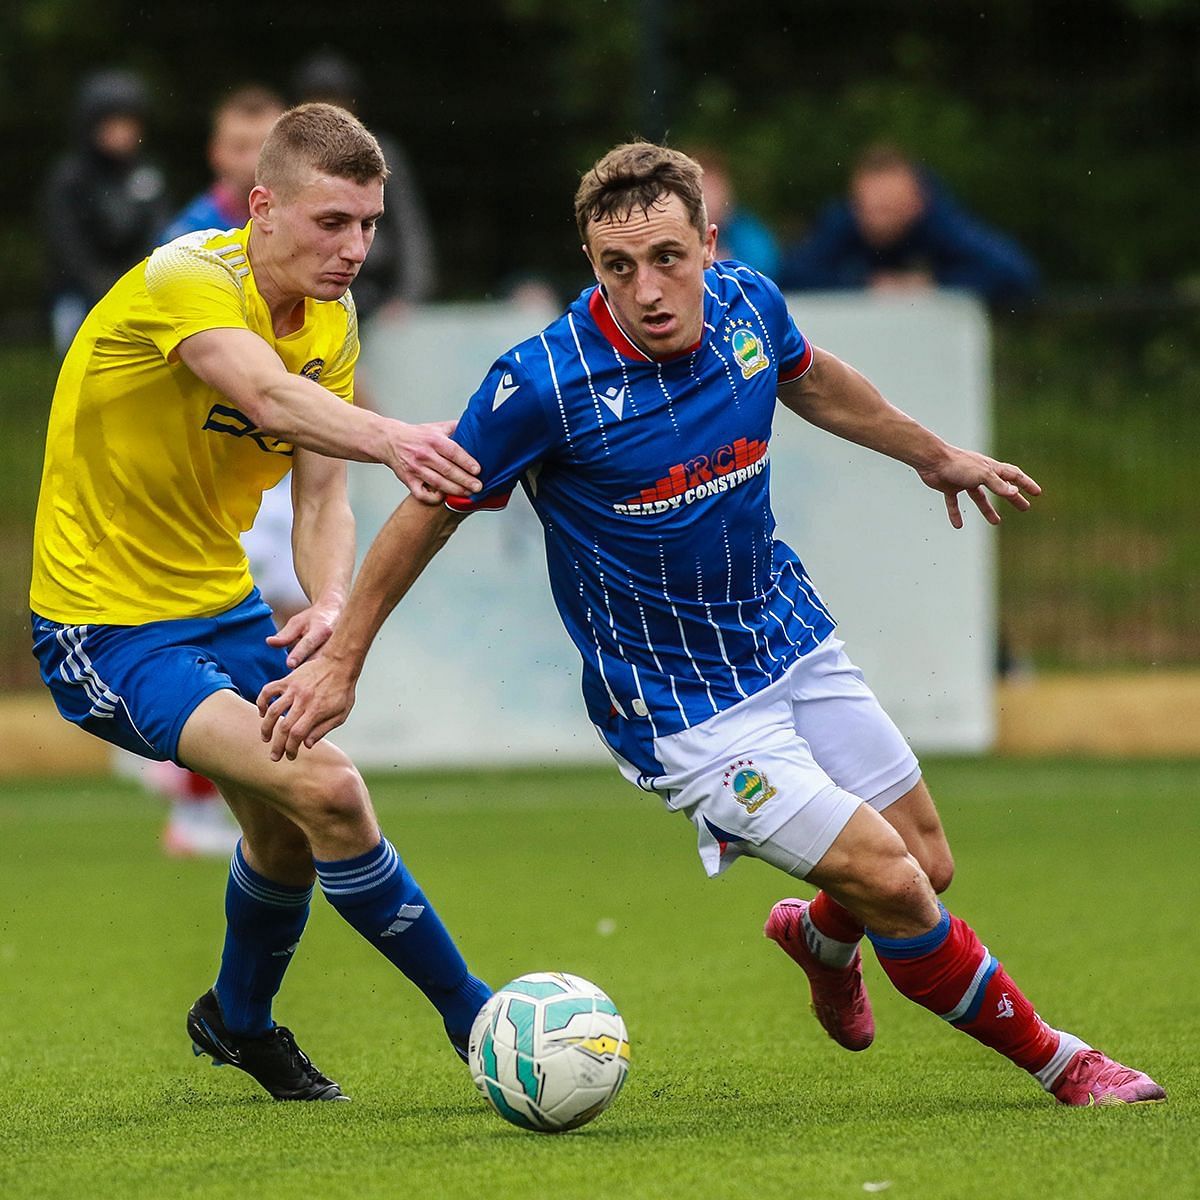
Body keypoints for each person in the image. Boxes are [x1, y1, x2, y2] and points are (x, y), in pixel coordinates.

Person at [261, 142, 1164, 1109]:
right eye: (617, 267)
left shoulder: (746, 304)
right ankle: (1067, 1065)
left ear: (708, 245)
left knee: (928, 862)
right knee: (898, 888)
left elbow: (812, 379)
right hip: (682, 708)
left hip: (788, 634)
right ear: (592, 265)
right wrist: (345, 654)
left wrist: (931, 455)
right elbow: (426, 510)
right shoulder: (545, 383)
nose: (647, 289)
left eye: (667, 259)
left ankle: (817, 939)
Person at [30, 103, 490, 1102]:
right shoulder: (185, 279)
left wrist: (328, 600)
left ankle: (236, 1023)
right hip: (105, 628)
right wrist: (394, 435)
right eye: (333, 224)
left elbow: (319, 487)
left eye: (369, 224)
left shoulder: (332, 320)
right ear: (263, 209)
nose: (356, 248)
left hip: (223, 608)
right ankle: (482, 1022)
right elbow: (271, 398)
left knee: (282, 827)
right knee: (330, 792)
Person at [152, 84, 292, 860]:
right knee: (248, 628)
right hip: (212, 470)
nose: (249, 158)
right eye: (239, 145)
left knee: (288, 619)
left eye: (263, 145)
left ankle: (246, 788)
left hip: (264, 458)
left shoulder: (292, 238)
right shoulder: (190, 243)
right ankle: (204, 799)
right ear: (218, 155)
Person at [778, 144, 1039, 306]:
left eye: (888, 209)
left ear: (916, 204)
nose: (875, 220)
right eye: (866, 209)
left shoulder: (940, 224)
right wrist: (864, 285)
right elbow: (792, 275)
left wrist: (932, 285)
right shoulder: (844, 221)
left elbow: (1015, 274)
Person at [291, 49, 436, 317]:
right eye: (319, 100)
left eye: (336, 100)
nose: (330, 111)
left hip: (377, 293)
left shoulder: (381, 153)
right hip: (311, 292)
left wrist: (407, 297)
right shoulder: (289, 157)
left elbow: (409, 230)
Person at [42, 69, 172, 355]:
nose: (122, 133)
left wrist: (136, 282)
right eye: (113, 124)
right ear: (91, 125)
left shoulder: (147, 175)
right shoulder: (70, 179)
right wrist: (101, 286)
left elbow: (159, 234)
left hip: (140, 289)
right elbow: (66, 244)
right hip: (81, 294)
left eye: (129, 123)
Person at [161, 85, 286, 244]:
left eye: (265, 148)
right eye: (240, 148)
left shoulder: (307, 222)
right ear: (215, 152)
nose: (254, 161)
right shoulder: (187, 236)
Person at [688, 146, 781, 277]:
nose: (711, 199)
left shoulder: (744, 229)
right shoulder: (674, 230)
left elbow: (765, 268)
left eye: (715, 189)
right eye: (704, 191)